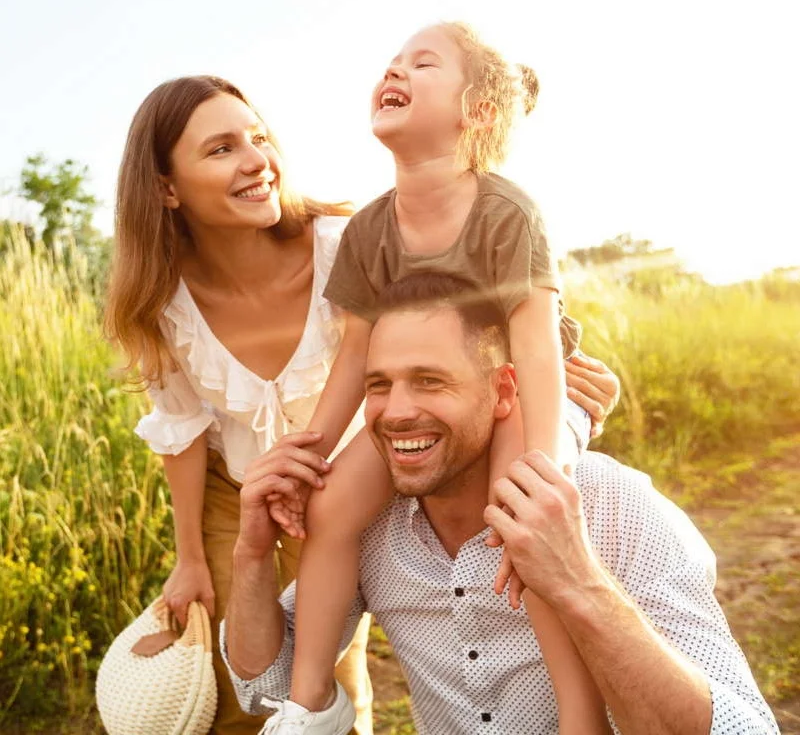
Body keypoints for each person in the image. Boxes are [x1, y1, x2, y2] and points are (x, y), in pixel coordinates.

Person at [103, 76, 618, 734]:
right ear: (165, 188)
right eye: (222, 149)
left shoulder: (345, 243)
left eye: (259, 137)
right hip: (239, 490)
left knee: (338, 657)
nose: (257, 159)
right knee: (242, 679)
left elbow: (460, 324)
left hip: (368, 459)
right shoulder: (159, 301)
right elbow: (179, 430)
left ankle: (338, 708)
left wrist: (540, 373)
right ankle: (303, 708)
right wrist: (190, 558)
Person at [222, 272, 780, 735]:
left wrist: (578, 581)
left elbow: (746, 730)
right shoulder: (369, 527)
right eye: (379, 385)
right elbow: (264, 681)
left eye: (430, 381)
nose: (396, 412)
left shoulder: (617, 507)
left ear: (505, 392)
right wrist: (250, 554)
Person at [277, 21, 608, 733]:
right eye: (391, 61)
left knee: (522, 513)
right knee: (332, 509)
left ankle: (581, 718)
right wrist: (310, 453)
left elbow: (538, 350)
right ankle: (307, 707)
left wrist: (542, 467)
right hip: (425, 399)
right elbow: (356, 359)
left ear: (477, 113)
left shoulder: (506, 212)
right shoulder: (369, 231)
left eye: (421, 64)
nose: (394, 71)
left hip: (523, 391)